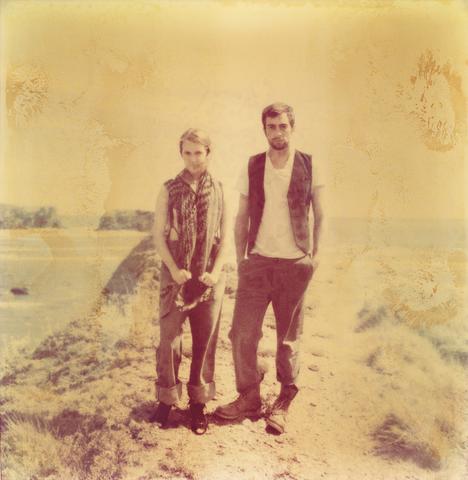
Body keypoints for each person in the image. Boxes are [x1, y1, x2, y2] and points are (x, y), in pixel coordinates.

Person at [214, 102, 324, 434]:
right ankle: (249, 397)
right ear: (264, 129)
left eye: (282, 126)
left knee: (288, 340)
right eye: (271, 127)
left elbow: (321, 214)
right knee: (242, 333)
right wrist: (241, 257)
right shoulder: (253, 165)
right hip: (258, 262)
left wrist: (314, 256)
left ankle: (284, 401)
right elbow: (241, 216)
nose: (277, 132)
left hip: (294, 264)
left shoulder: (309, 164)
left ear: (292, 127)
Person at [152, 128, 227, 435]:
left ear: (208, 152)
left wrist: (216, 272)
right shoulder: (168, 188)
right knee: (169, 339)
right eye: (187, 153)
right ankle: (166, 400)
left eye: (199, 152)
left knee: (204, 341)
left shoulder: (219, 189)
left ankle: (198, 404)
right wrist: (173, 269)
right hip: (176, 277)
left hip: (209, 277)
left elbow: (227, 239)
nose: (193, 159)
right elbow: (158, 236)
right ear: (180, 153)